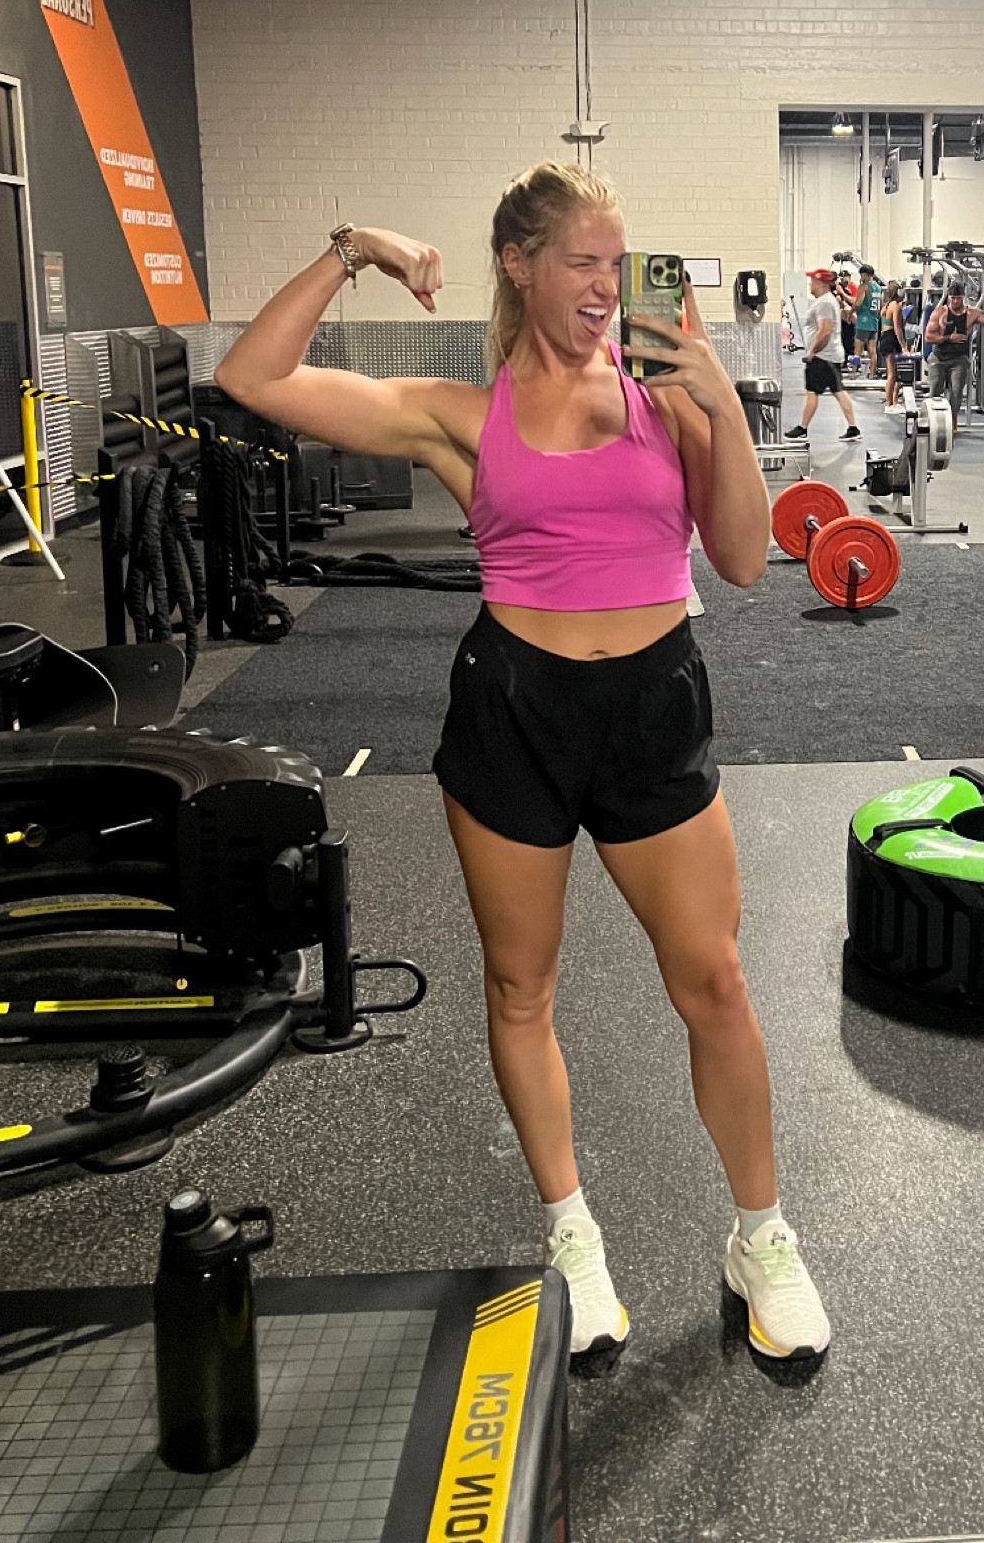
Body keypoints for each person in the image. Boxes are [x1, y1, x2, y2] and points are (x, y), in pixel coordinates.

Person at [216, 164, 831, 1368]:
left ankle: (761, 1234)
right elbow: (254, 378)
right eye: (584, 263)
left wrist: (725, 406)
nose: (609, 288)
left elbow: (752, 560)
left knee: (714, 980)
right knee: (519, 989)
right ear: (521, 263)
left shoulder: (668, 398)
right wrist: (358, 246)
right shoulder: (461, 413)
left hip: (653, 704)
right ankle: (571, 1234)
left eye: (621, 261)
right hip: (513, 711)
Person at [786, 267, 861, 443]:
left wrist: (812, 351)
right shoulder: (827, 300)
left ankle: (802, 428)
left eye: (812, 281)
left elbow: (825, 331)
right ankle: (853, 428)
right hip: (830, 356)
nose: (810, 285)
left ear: (820, 284)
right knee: (838, 391)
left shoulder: (825, 303)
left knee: (812, 392)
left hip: (823, 357)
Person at [923, 281, 984, 429]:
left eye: (958, 298)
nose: (955, 301)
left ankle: (952, 421)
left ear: (963, 297)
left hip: (959, 359)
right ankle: (934, 423)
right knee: (935, 392)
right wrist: (948, 338)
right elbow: (928, 338)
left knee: (957, 392)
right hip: (938, 358)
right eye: (953, 298)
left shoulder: (972, 313)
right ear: (949, 297)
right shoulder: (939, 313)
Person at [880, 278, 910, 406]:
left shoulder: (885, 306)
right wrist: (904, 347)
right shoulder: (895, 307)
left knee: (893, 374)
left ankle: (893, 402)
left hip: (885, 338)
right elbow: (897, 329)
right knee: (892, 375)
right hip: (891, 339)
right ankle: (889, 403)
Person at [856, 263, 883, 375]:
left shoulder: (864, 287)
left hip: (863, 321)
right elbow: (880, 304)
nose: (861, 278)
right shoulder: (878, 288)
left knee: (857, 351)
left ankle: (853, 371)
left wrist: (850, 312)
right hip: (874, 321)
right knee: (873, 351)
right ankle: (872, 374)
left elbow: (858, 303)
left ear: (866, 275)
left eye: (862, 275)